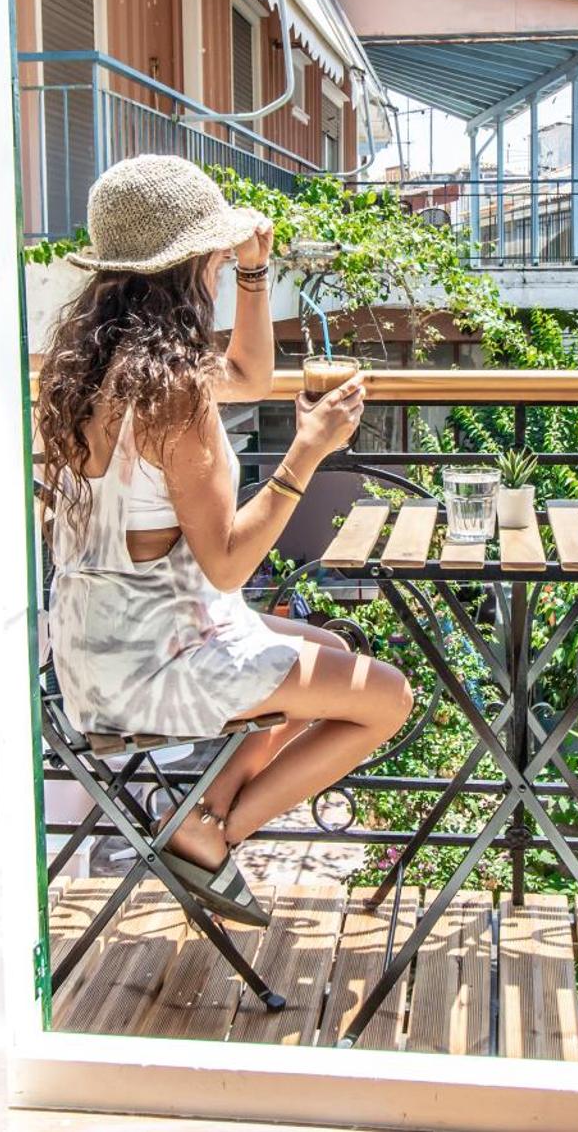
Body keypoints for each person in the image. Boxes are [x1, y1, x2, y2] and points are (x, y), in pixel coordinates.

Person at [36, 155, 414, 927]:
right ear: (187, 269)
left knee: (327, 646)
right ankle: (215, 830)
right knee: (387, 698)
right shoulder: (171, 394)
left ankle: (205, 812)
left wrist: (255, 272)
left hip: (93, 653)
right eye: (214, 255)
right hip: (159, 666)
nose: (219, 264)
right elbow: (231, 562)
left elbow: (246, 370)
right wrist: (308, 449)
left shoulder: (86, 371)